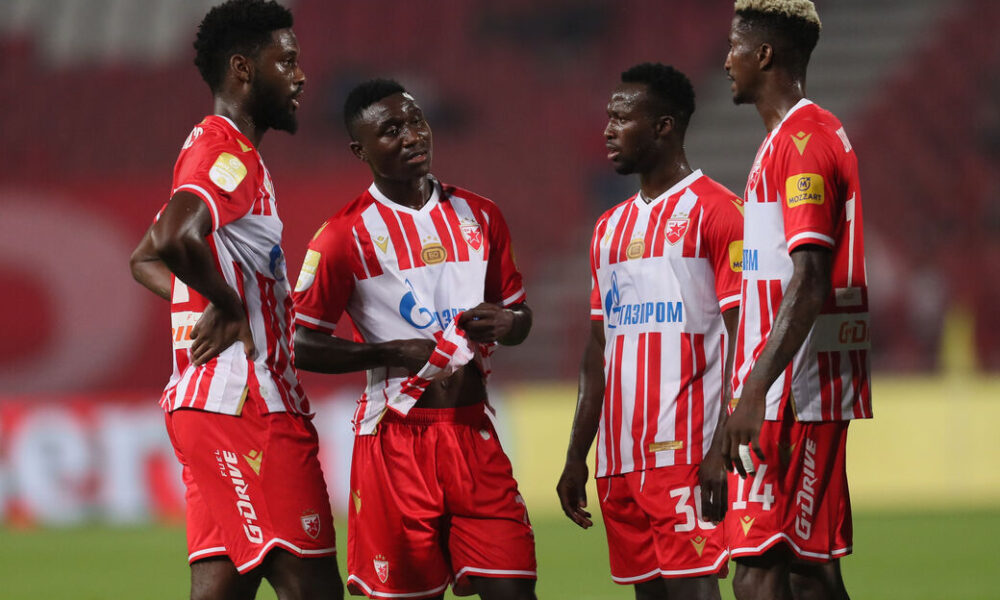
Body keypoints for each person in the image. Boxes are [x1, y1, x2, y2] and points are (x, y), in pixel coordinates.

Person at [291, 79, 537, 600]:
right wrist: (392, 352)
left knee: (515, 591)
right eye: (391, 130)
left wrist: (509, 323)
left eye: (416, 121)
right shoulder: (342, 237)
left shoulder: (481, 215)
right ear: (359, 150)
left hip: (473, 434)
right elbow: (302, 344)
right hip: (396, 441)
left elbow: (519, 315)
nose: (412, 136)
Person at [128, 1, 342, 598]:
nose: (301, 76)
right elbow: (174, 239)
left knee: (220, 590)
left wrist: (209, 295)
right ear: (244, 69)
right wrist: (226, 304)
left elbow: (144, 257)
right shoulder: (228, 155)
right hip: (246, 408)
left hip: (209, 407)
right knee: (314, 588)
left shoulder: (210, 150)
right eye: (287, 61)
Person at [556, 63, 744, 600]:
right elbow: (599, 348)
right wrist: (577, 454)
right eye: (608, 118)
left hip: (687, 453)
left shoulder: (720, 212)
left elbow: (743, 339)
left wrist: (721, 447)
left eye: (622, 118)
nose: (608, 130)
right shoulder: (607, 228)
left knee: (694, 592)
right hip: (619, 461)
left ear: (664, 126)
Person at [720, 1, 872, 599]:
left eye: (734, 47)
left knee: (757, 572)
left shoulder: (804, 143)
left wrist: (755, 388)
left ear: (763, 55)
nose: (725, 61)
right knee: (809, 572)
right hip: (790, 387)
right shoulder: (787, 139)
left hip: (794, 392)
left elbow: (810, 278)